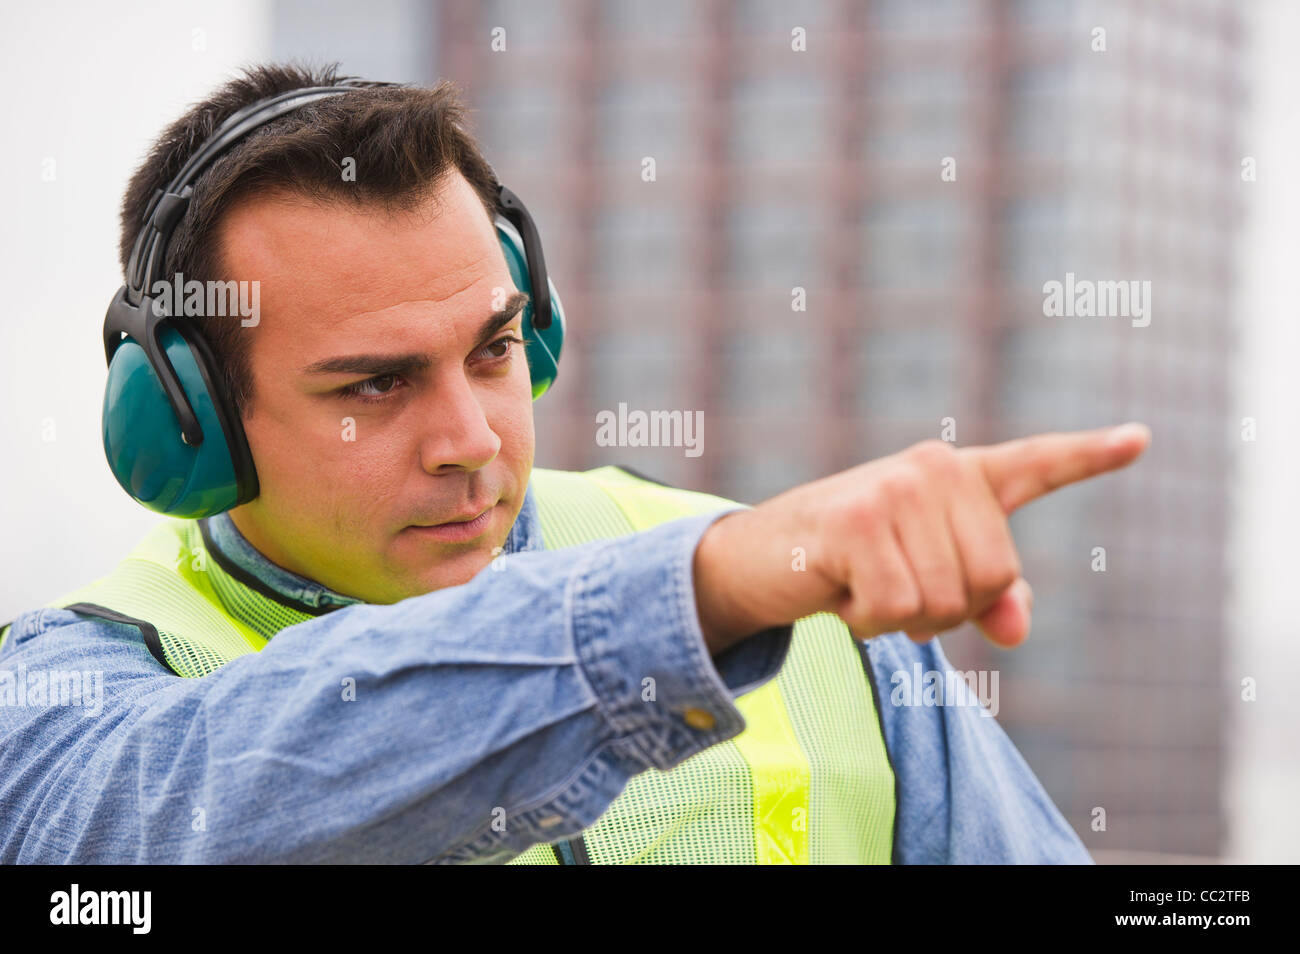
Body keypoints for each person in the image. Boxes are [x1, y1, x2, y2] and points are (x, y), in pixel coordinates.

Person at [0, 64, 1149, 864]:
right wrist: (698, 601)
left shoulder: (810, 605)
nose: (471, 442)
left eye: (495, 349)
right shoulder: (84, 688)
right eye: (374, 385)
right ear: (191, 421)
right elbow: (175, 822)